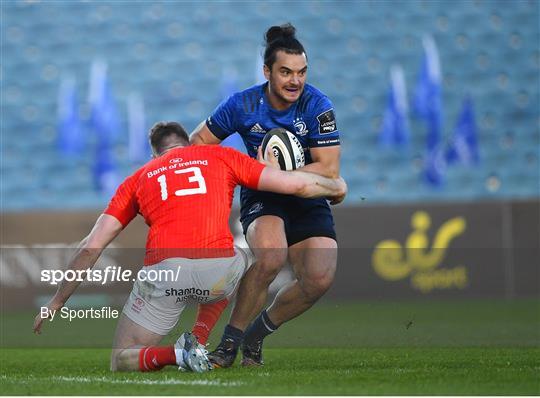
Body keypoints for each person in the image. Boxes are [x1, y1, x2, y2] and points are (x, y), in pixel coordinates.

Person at [33, 121, 346, 373]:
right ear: (189, 143)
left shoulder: (138, 178)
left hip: (165, 275)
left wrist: (58, 300)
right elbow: (298, 184)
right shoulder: (221, 155)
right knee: (244, 257)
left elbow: (92, 246)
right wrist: (337, 186)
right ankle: (202, 336)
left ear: (156, 154)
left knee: (123, 359)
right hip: (218, 275)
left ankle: (178, 354)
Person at [190, 23, 342, 367]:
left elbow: (329, 169)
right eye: (286, 72)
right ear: (267, 72)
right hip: (264, 196)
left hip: (308, 195)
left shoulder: (318, 104)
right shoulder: (243, 103)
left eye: (301, 72)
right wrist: (248, 169)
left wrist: (281, 174)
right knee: (270, 257)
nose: (295, 81)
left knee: (319, 279)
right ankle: (229, 345)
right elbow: (198, 144)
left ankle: (258, 334)